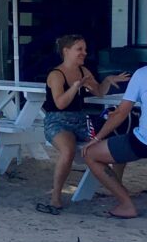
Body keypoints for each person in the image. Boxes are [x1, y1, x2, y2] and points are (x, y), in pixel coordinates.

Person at [39, 34, 130, 214]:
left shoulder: (83, 70)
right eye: (79, 49)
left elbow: (98, 92)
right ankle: (55, 197)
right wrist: (75, 87)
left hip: (80, 120)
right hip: (57, 121)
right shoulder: (56, 74)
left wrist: (107, 81)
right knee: (68, 150)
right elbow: (60, 104)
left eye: (85, 49)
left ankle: (118, 187)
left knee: (117, 141)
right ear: (66, 51)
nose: (84, 53)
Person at [81, 64, 147, 219]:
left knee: (90, 154)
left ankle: (126, 204)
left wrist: (97, 138)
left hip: (143, 142)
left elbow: (121, 113)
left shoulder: (142, 74)